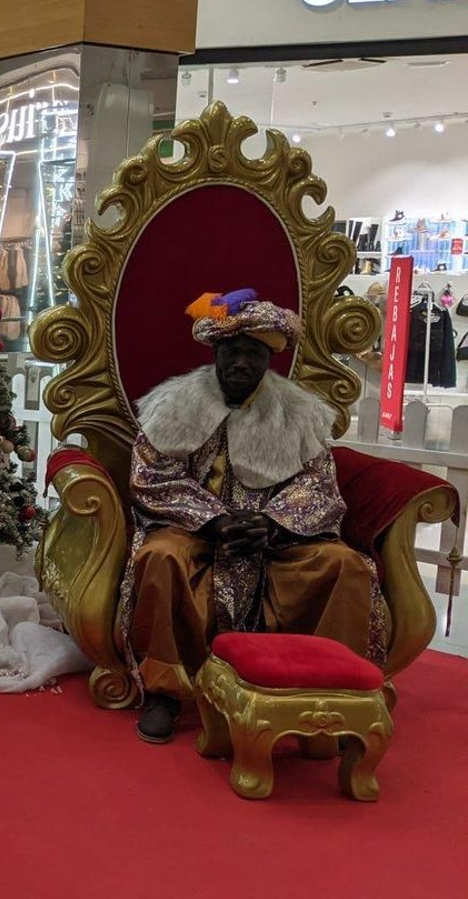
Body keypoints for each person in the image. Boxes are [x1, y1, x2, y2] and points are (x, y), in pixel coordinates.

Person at [121, 290, 380, 744]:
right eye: (232, 351)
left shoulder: (299, 413)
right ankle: (166, 691)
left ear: (269, 358)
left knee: (345, 566)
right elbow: (152, 477)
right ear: (216, 352)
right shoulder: (172, 405)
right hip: (195, 532)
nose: (241, 362)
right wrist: (213, 520)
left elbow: (318, 482)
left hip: (278, 539)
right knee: (159, 558)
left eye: (253, 353)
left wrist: (274, 523)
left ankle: (331, 694)